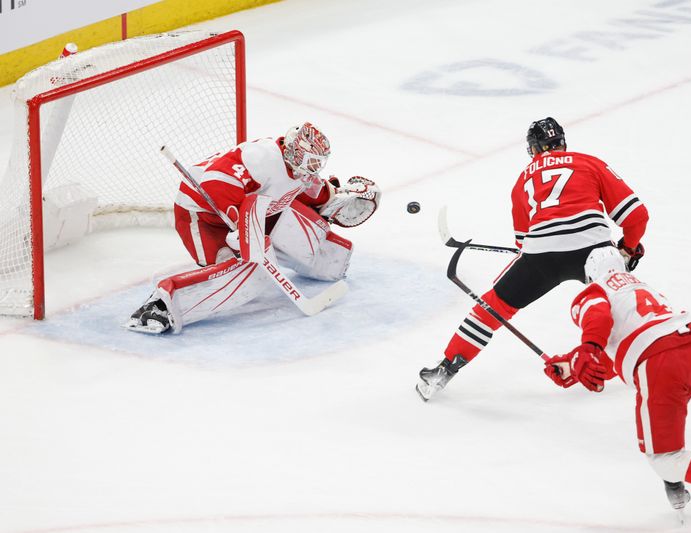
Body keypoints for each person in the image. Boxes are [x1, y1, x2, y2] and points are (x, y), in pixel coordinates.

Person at [544, 247, 691, 528]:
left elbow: (598, 317)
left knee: (663, 457)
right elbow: (622, 349)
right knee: (665, 435)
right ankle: (676, 481)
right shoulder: (639, 288)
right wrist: (574, 364)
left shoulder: (593, 291)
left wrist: (587, 348)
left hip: (659, 362)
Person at [417, 117, 648, 401]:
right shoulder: (589, 162)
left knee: (492, 307)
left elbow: (523, 244)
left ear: (534, 149)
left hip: (541, 254)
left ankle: (443, 371)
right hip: (595, 249)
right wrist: (628, 248)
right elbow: (636, 216)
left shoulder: (523, 179)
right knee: (620, 308)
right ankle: (639, 356)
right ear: (562, 142)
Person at [125, 122, 380, 334]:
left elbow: (313, 193)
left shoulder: (299, 171)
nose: (314, 169)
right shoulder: (262, 157)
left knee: (290, 220)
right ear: (297, 153)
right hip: (201, 214)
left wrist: (335, 198)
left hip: (250, 209)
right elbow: (216, 182)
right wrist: (240, 225)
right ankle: (160, 306)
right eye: (311, 162)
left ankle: (329, 263)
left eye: (318, 163)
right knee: (240, 271)